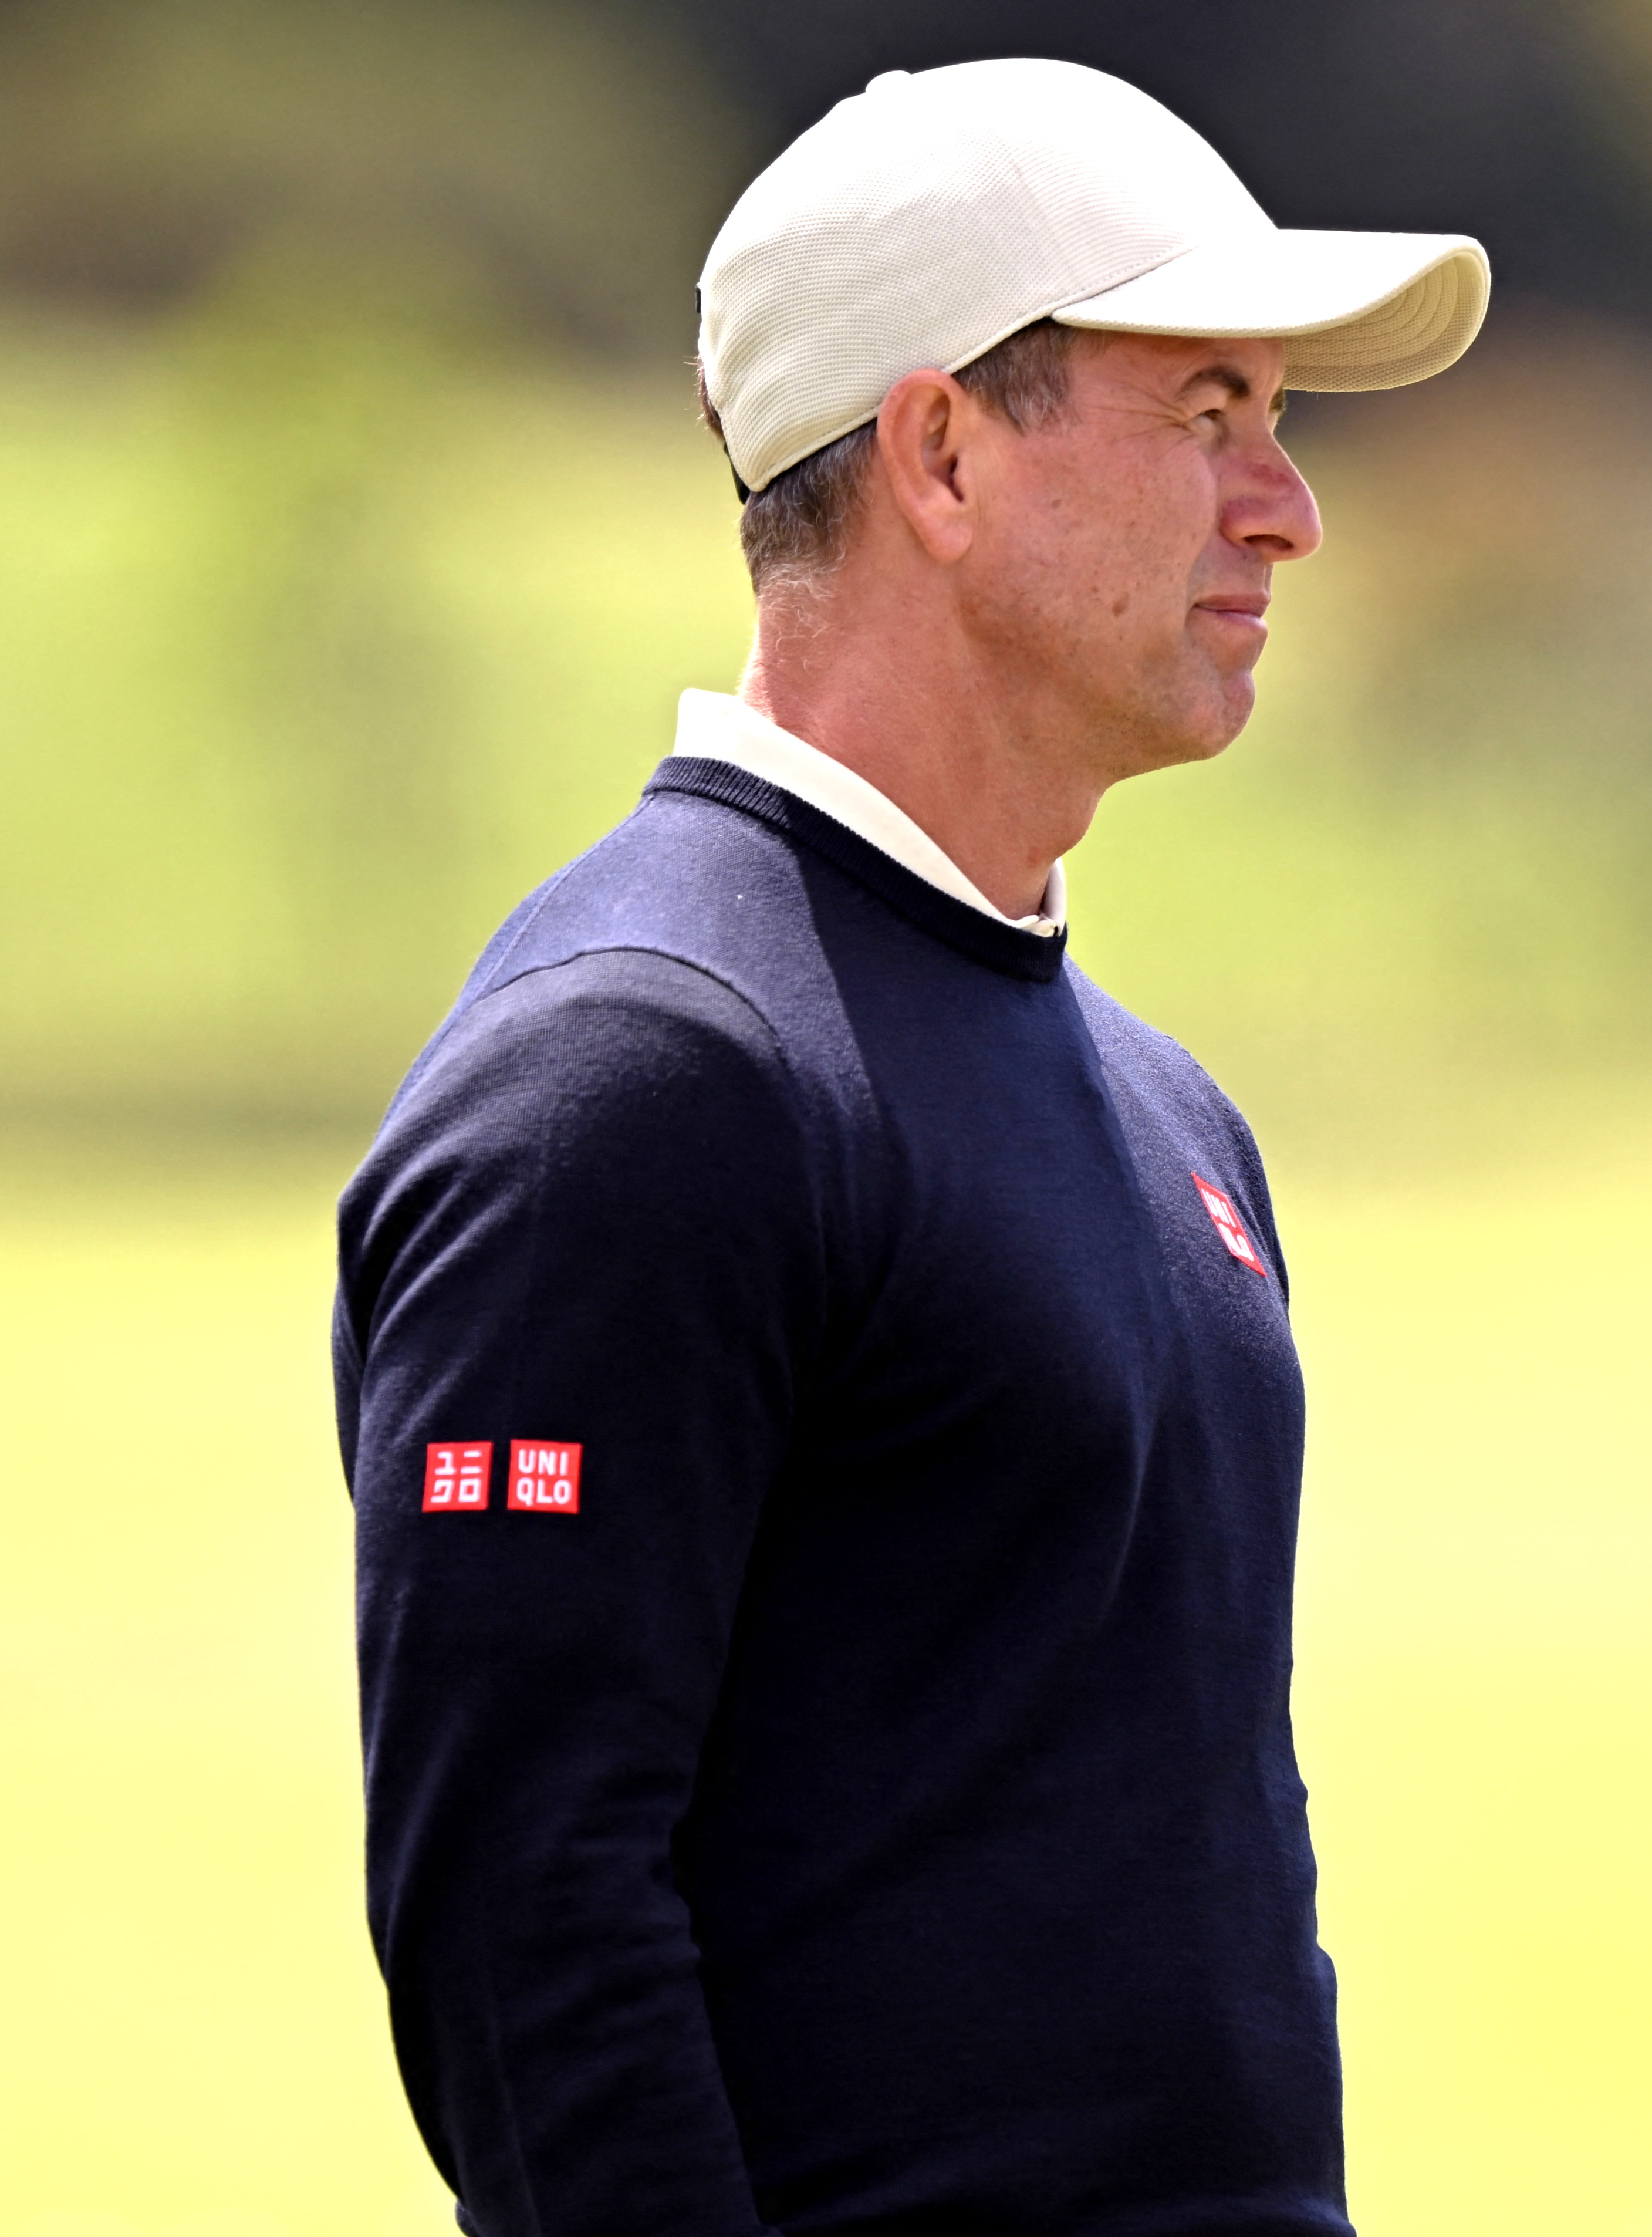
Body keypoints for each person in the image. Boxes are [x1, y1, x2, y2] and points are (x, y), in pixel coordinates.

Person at [330, 60, 1487, 2235]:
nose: (1288, 511)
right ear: (941, 452)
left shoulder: (1171, 1114)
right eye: (1209, 412)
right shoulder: (633, 1078)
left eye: (1278, 421)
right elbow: (525, 1931)